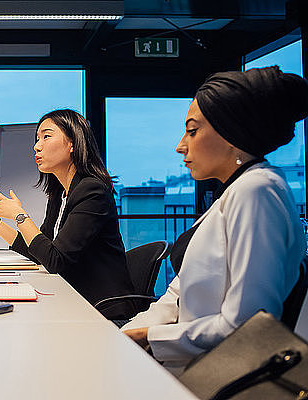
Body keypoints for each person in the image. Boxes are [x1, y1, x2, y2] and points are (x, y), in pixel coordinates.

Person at [122, 66, 308, 374]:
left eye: (192, 131)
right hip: (183, 362)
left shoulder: (256, 190)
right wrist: (128, 333)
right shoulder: (236, 189)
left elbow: (249, 323)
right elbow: (178, 292)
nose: (181, 145)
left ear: (233, 132)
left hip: (209, 375)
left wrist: (148, 336)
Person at [0, 109, 134, 317]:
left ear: (73, 143)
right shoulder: (59, 194)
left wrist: (19, 216)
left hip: (102, 311)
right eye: (37, 138)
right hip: (75, 300)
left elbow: (55, 260)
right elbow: (39, 252)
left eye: (46, 137)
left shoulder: (92, 190)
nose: (36, 146)